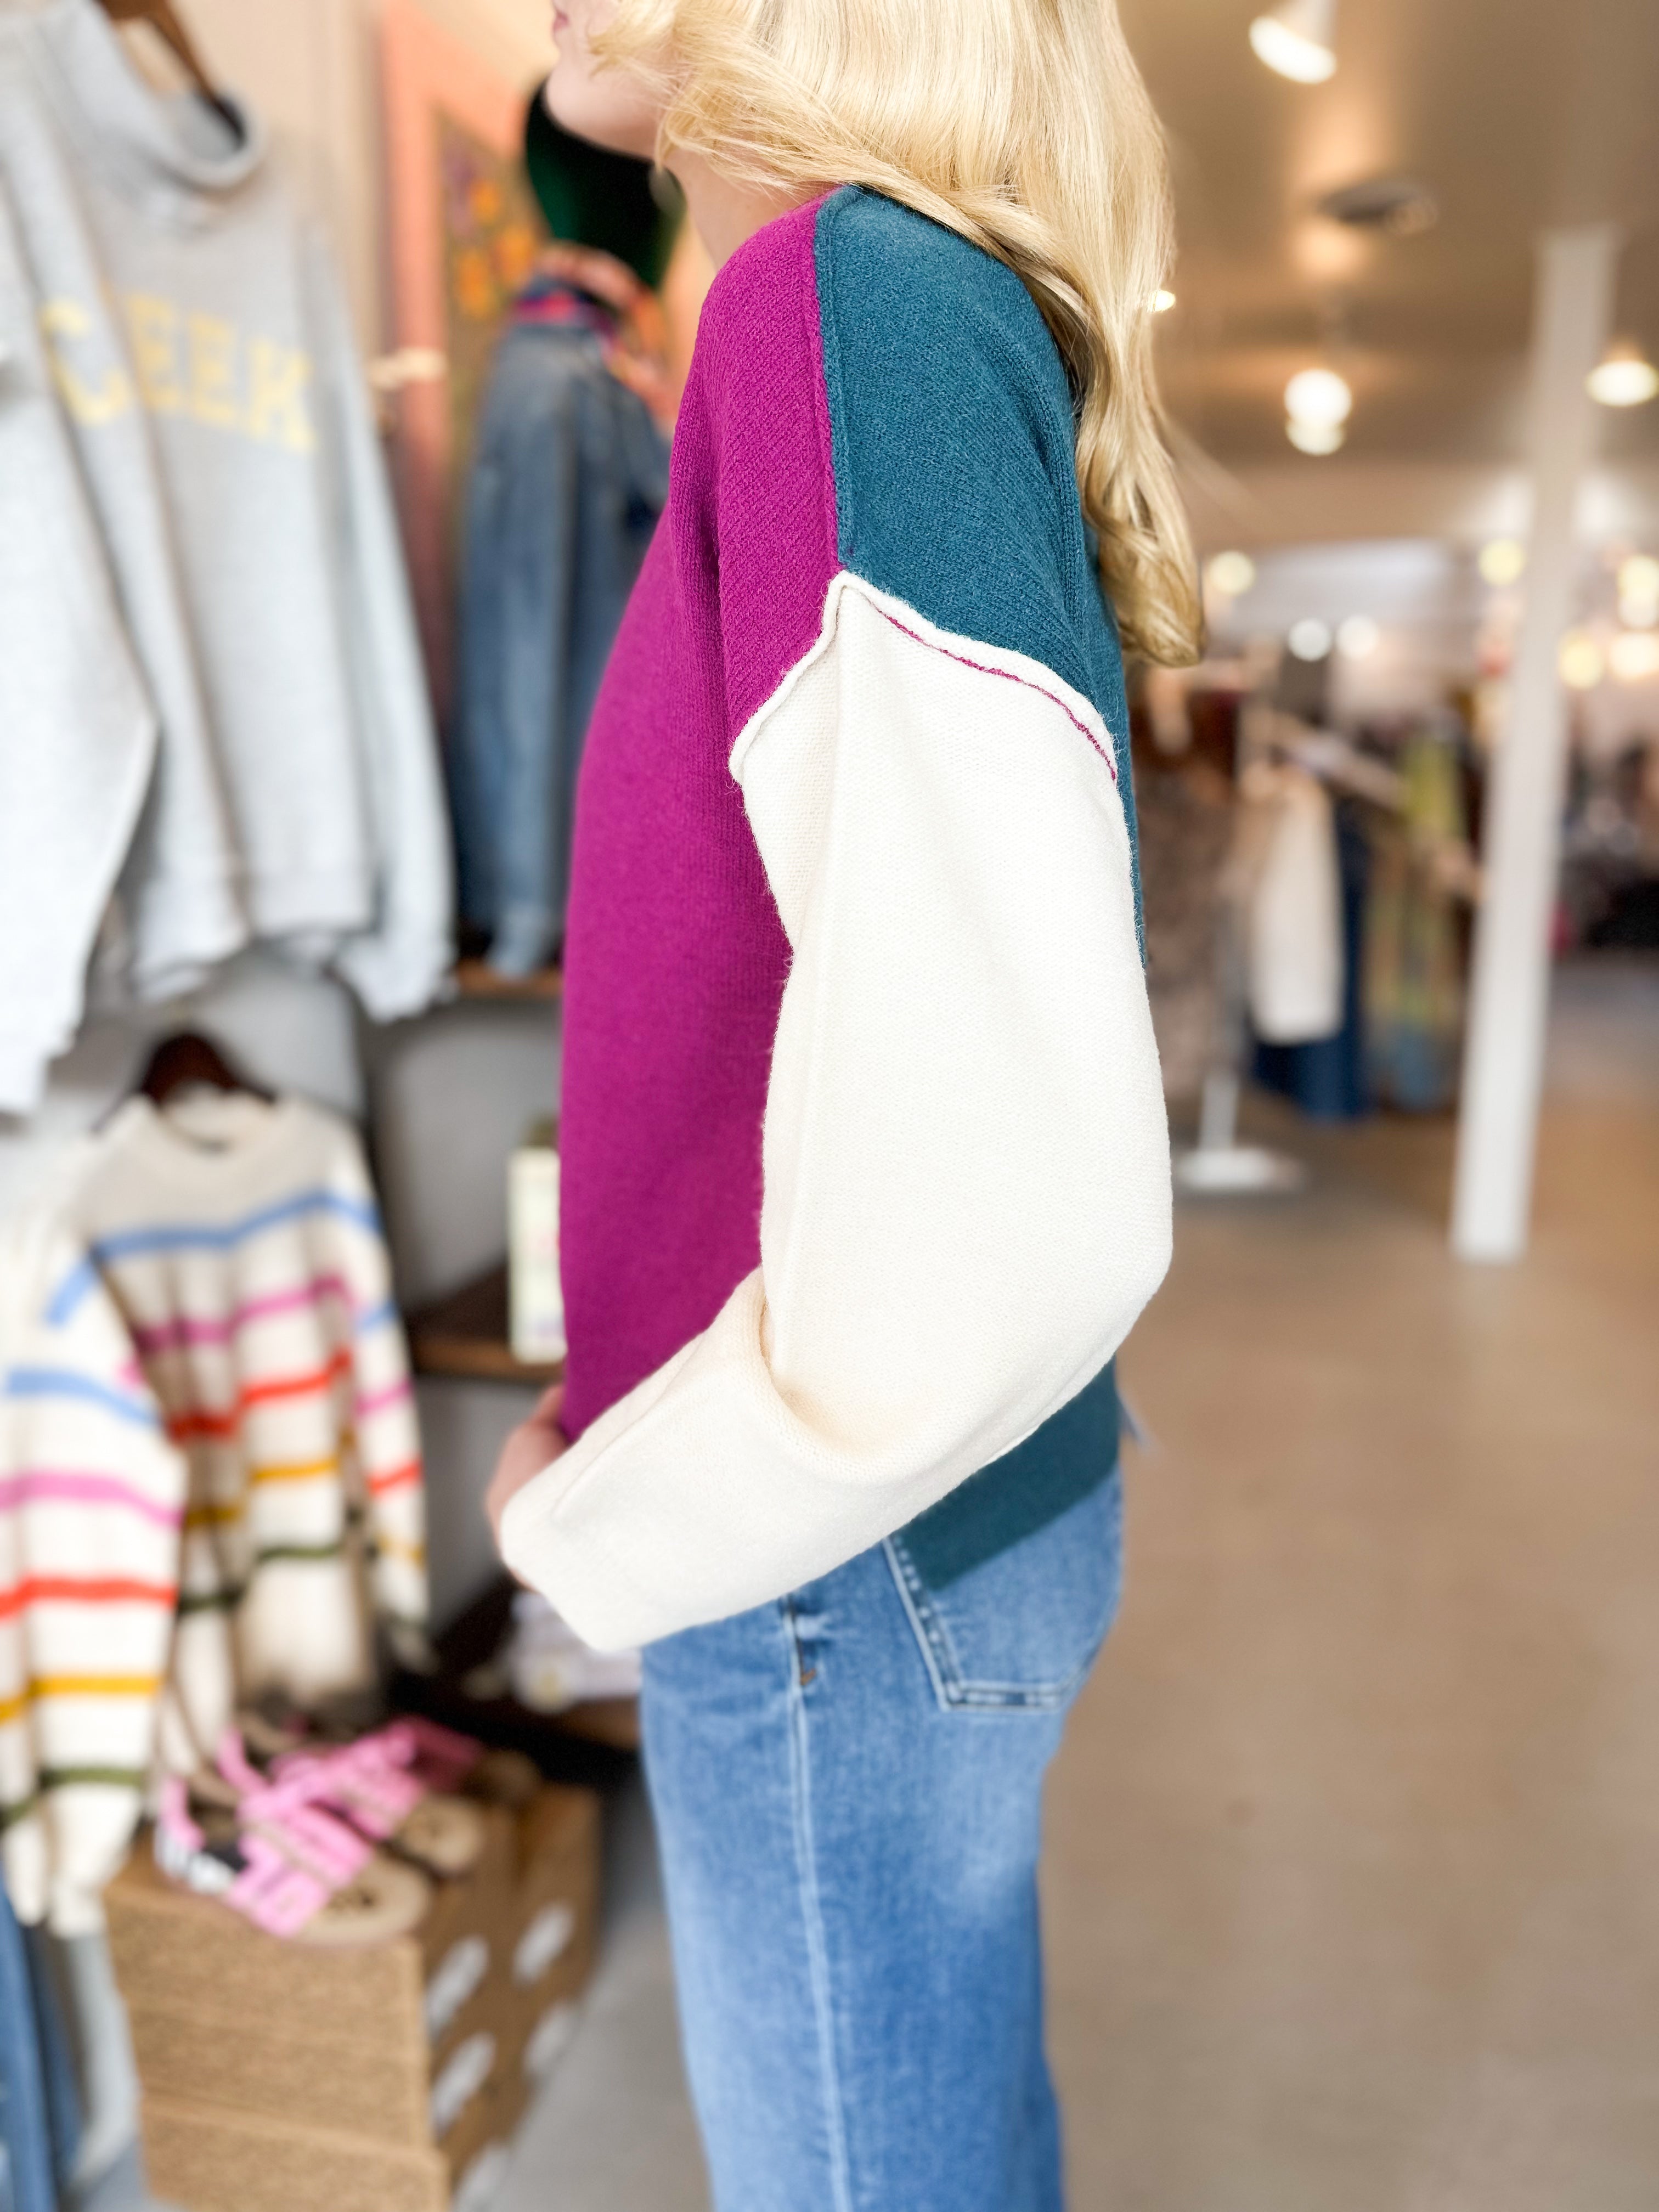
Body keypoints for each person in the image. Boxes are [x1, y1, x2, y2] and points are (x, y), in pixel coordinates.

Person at [486, 1, 1198, 2203]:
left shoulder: (841, 306)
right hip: (892, 1534)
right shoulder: (868, 313)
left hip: (835, 1552)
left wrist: (610, 1529)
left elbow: (1010, 1206)